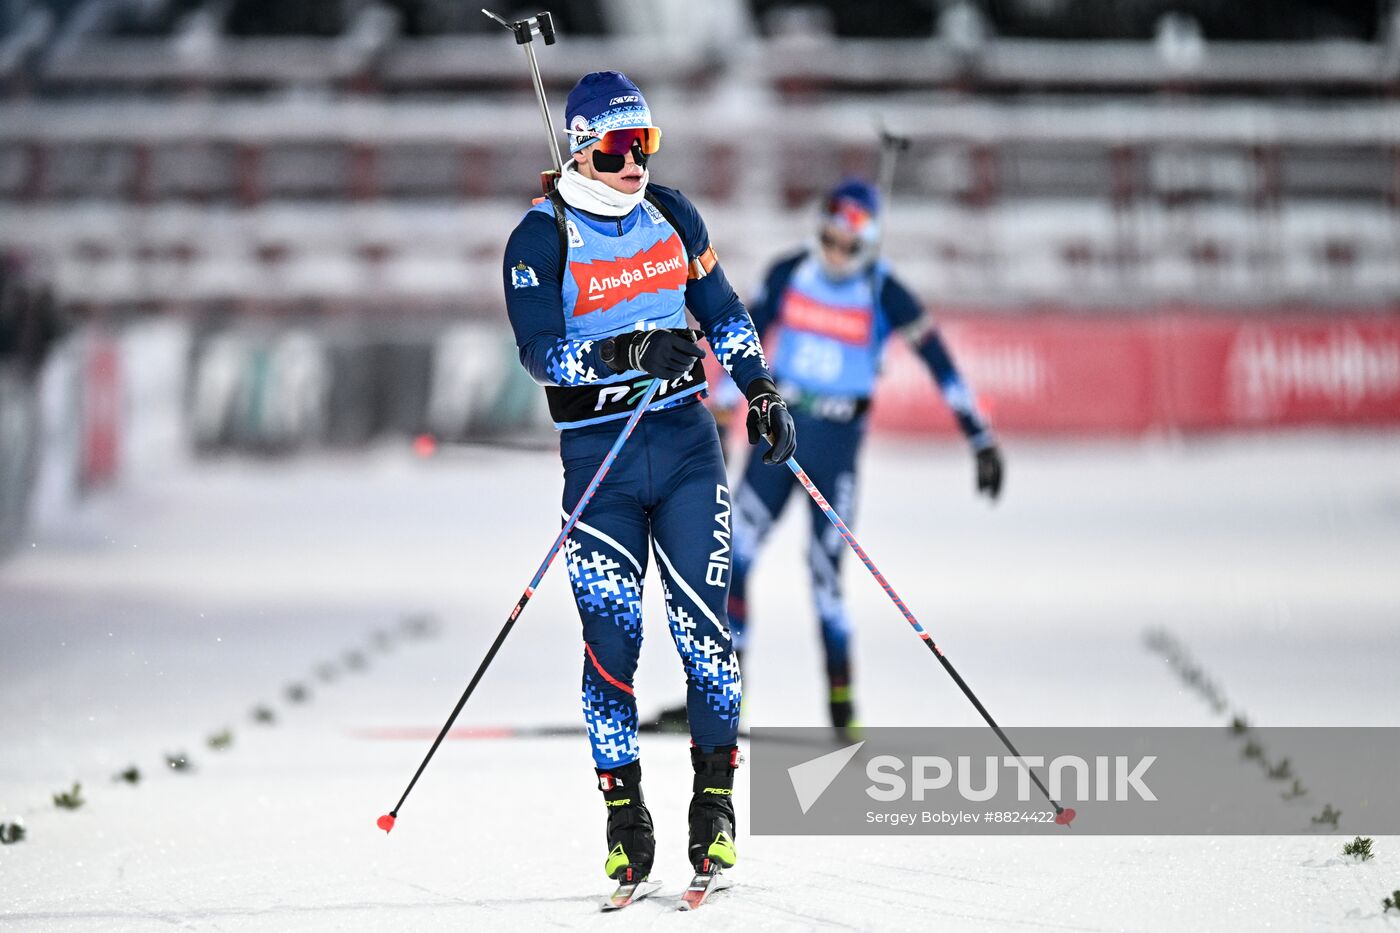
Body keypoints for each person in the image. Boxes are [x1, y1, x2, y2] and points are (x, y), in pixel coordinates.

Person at [500, 71, 796, 887]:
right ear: (584, 148)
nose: (637, 163)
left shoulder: (672, 213)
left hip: (689, 449)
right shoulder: (540, 236)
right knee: (612, 646)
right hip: (601, 462)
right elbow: (541, 355)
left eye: (648, 143)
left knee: (708, 637)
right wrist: (627, 354)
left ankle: (715, 807)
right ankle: (625, 815)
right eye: (621, 147)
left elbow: (725, 311)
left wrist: (760, 388)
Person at [674, 178, 1004, 739]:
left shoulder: (883, 290)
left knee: (826, 581)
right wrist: (726, 408)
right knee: (735, 564)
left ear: (868, 243)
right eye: (828, 238)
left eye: (848, 244)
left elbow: (939, 361)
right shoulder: (790, 274)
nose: (834, 253)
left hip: (835, 452)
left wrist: (979, 435)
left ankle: (842, 708)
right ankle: (726, 699)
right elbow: (740, 338)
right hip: (779, 442)